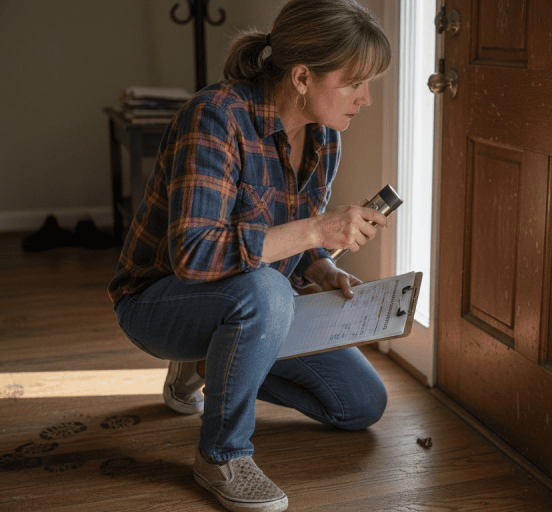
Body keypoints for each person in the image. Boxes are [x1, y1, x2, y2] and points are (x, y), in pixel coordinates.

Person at [107, 1, 391, 510]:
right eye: (355, 83)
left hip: (253, 298)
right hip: (158, 299)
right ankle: (222, 454)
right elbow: (194, 254)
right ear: (302, 76)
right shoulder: (215, 117)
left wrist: (320, 264)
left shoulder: (325, 137)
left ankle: (205, 360)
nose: (366, 99)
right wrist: (317, 229)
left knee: (361, 404)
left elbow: (292, 239)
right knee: (266, 288)